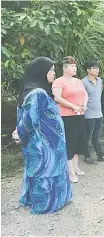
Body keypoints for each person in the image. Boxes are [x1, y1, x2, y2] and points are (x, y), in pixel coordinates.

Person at [13, 56, 72, 214]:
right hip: (44, 146)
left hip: (50, 143)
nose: (53, 73)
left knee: (47, 170)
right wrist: (19, 133)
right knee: (45, 172)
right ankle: (45, 204)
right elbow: (30, 120)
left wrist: (19, 132)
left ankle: (56, 199)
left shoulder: (37, 91)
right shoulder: (38, 93)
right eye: (50, 70)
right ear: (40, 72)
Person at [53, 56, 96, 184]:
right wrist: (72, 106)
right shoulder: (59, 81)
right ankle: (70, 171)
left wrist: (84, 104)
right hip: (66, 116)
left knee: (78, 141)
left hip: (79, 114)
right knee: (70, 143)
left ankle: (76, 167)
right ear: (65, 68)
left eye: (75, 66)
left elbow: (85, 94)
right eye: (72, 67)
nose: (74, 68)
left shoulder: (78, 81)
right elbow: (57, 98)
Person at [82, 60, 104, 162]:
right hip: (88, 114)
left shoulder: (100, 81)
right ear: (88, 70)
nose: (97, 70)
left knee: (97, 136)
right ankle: (87, 157)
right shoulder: (83, 82)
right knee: (87, 137)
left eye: (97, 68)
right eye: (94, 68)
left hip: (98, 113)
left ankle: (101, 156)